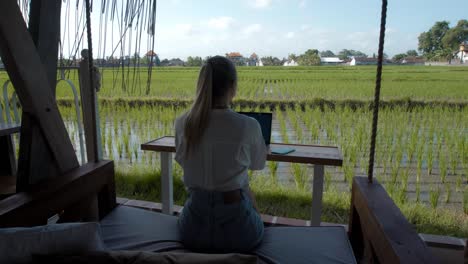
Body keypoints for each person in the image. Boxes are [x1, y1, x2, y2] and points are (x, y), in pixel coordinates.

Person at [174, 56, 267, 253]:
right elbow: (258, 165)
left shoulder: (183, 122)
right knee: (248, 194)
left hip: (192, 231)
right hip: (239, 232)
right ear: (232, 86)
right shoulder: (248, 125)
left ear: (202, 84)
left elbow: (184, 161)